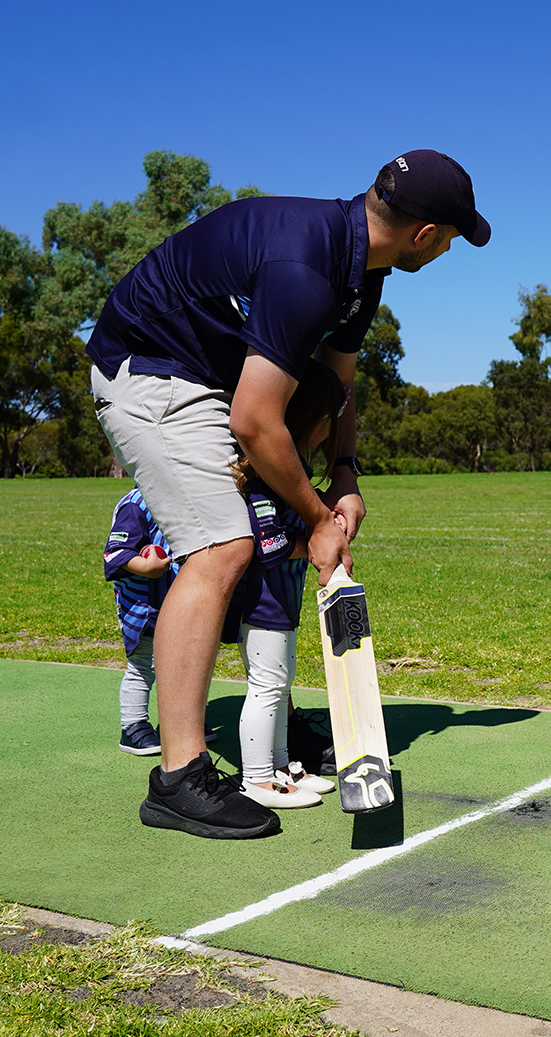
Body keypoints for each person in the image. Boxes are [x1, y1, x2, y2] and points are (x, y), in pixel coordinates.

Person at [87, 150, 489, 839]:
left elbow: (338, 384)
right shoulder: (305, 267)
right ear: (424, 233)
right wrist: (316, 519)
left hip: (217, 377)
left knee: (263, 510)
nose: (450, 248)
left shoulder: (363, 272)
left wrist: (345, 480)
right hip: (153, 372)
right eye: (452, 237)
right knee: (222, 546)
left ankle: (274, 718)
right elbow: (252, 420)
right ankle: (179, 778)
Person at [232, 359, 343, 810]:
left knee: (280, 685)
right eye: (327, 419)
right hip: (262, 608)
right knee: (267, 686)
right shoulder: (264, 481)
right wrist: (316, 542)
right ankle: (257, 778)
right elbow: (271, 546)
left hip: (283, 607)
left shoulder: (291, 480)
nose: (331, 428)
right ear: (309, 419)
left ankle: (281, 767)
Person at [103, 488, 217, 755]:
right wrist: (146, 567)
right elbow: (115, 551)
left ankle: (181, 725)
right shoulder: (136, 504)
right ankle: (133, 727)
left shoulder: (186, 496)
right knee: (143, 665)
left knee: (184, 666)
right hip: (144, 606)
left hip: (181, 600)